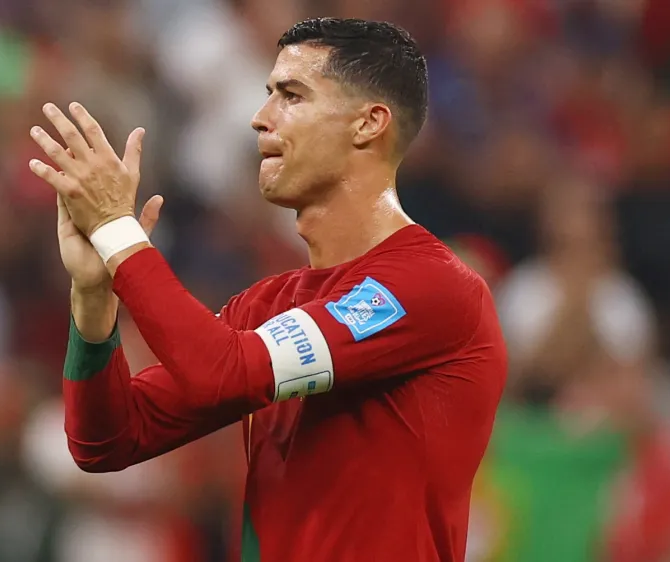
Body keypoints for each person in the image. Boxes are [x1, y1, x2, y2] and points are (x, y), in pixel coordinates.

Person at [28, 17, 507, 562]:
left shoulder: (433, 286)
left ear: (368, 124)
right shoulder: (268, 304)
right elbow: (107, 441)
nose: (260, 119)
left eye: (292, 96)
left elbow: (224, 372)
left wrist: (119, 232)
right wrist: (94, 297)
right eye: (267, 95)